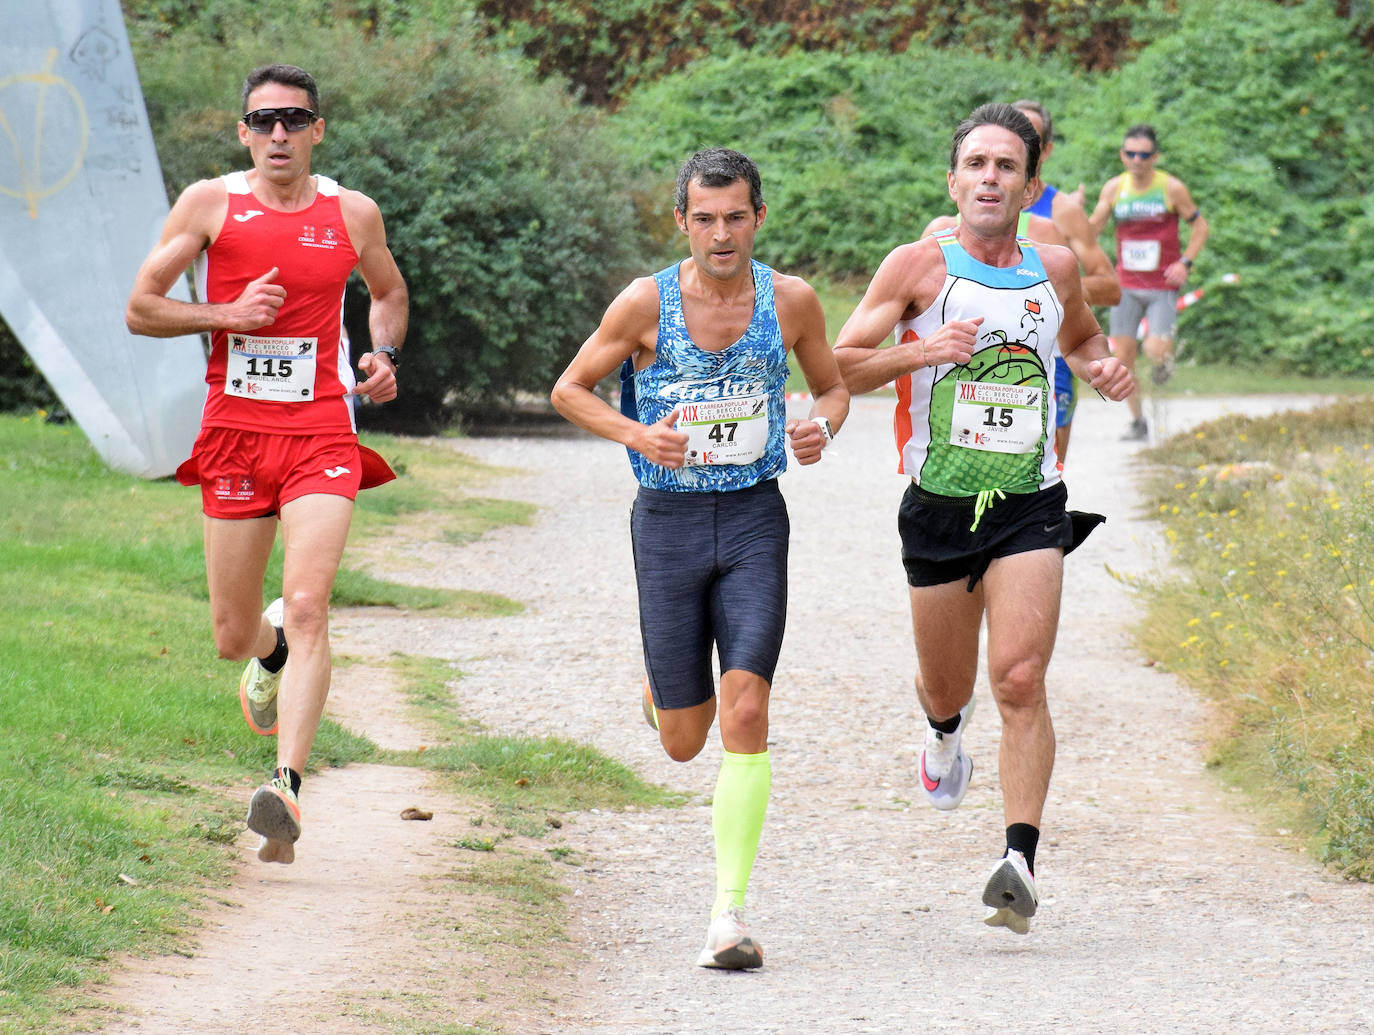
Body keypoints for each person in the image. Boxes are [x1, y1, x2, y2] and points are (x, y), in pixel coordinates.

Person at [833, 104, 1133, 934]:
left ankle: (1019, 861)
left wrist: (1102, 367)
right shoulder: (917, 268)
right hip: (937, 506)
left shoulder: (1058, 265)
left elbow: (1080, 339)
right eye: (977, 164)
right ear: (954, 180)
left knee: (1021, 676)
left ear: (1032, 185)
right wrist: (923, 351)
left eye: (1007, 165)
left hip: (1031, 505)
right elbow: (841, 365)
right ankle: (941, 736)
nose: (990, 178)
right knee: (949, 686)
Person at [550, 148, 849, 969]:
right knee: (685, 740)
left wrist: (822, 425)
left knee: (746, 708)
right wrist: (637, 431)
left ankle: (728, 912)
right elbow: (569, 389)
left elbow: (832, 387)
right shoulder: (645, 303)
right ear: (681, 221)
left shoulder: (790, 301)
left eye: (737, 216)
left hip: (755, 517)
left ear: (759, 216)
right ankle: (662, 691)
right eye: (705, 218)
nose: (722, 233)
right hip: (669, 522)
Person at [125, 64, 408, 865]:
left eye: (293, 119)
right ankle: (268, 650)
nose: (277, 133)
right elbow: (142, 306)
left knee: (311, 599)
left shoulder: (351, 213)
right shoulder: (211, 205)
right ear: (242, 131)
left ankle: (283, 786)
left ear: (318, 129)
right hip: (237, 434)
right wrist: (224, 313)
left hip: (321, 428)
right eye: (263, 121)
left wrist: (382, 354)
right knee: (230, 632)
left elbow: (388, 293)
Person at [1012, 99, 1121, 464]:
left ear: (1047, 150)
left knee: (1047, 475)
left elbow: (1110, 287)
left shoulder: (1063, 212)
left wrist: (1054, 286)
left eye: (1032, 138)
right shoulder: (974, 208)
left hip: (1051, 357)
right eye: (1014, 134)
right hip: (988, 358)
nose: (1021, 145)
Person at [1087, 123, 1209, 440]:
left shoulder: (1171, 188)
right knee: (1123, 360)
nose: (1137, 160)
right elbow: (1090, 231)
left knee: (1154, 349)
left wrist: (1186, 263)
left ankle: (1162, 362)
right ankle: (1138, 422)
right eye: (1130, 153)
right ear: (1122, 155)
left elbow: (1201, 228)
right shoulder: (1114, 189)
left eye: (1144, 154)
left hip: (1161, 287)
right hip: (1125, 286)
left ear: (1155, 157)